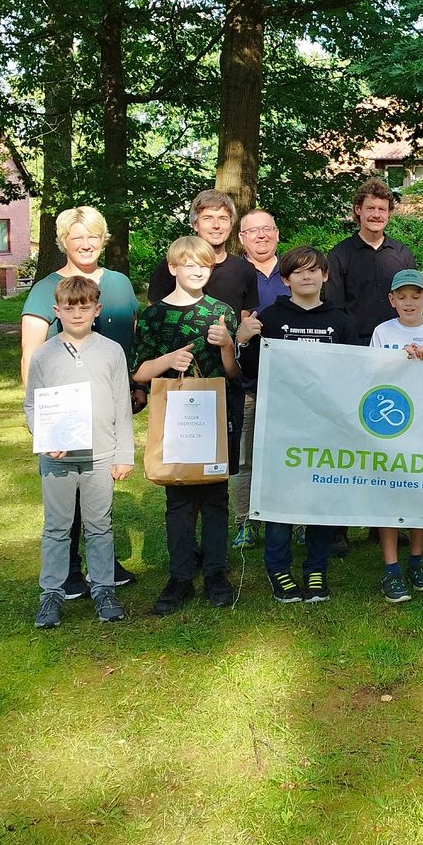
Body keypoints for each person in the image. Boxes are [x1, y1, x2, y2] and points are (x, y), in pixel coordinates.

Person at [19, 205, 138, 598]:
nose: (86, 244)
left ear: (103, 239)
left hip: (109, 394)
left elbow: (129, 338)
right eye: (77, 237)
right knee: (64, 489)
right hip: (64, 409)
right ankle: (68, 572)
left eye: (93, 236)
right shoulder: (46, 288)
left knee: (99, 490)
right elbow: (31, 354)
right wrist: (40, 420)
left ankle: (103, 567)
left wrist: (135, 386)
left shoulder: (119, 284)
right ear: (63, 242)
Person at [132, 236, 242, 616]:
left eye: (205, 265)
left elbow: (233, 373)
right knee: (178, 498)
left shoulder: (220, 310)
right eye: (189, 264)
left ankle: (215, 573)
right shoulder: (153, 316)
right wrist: (170, 358)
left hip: (213, 414)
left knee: (215, 497)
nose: (197, 271)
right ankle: (180, 575)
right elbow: (140, 372)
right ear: (173, 267)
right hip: (176, 418)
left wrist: (228, 344)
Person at [240, 246, 351, 604]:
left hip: (325, 423)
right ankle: (279, 568)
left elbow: (357, 372)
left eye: (313, 270)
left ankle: (316, 567)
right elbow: (248, 372)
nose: (306, 276)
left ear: (325, 276)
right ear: (285, 279)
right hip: (280, 423)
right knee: (280, 497)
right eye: (298, 272)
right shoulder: (268, 319)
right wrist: (242, 339)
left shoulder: (341, 320)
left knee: (320, 494)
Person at [367, 269, 423, 601]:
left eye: (416, 296)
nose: (409, 302)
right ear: (391, 300)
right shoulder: (381, 331)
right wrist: (396, 362)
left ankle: (417, 559)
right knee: (390, 491)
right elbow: (371, 374)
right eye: (401, 296)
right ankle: (391, 567)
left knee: (419, 490)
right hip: (390, 424)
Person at [231, 208, 288, 548]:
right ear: (242, 238)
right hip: (248, 380)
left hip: (289, 385)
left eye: (267, 229)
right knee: (244, 456)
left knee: (289, 452)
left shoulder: (294, 270)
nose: (262, 236)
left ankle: (291, 516)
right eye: (253, 231)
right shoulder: (235, 274)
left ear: (277, 233)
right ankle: (244, 522)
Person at [325, 177, 418, 345]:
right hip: (355, 345)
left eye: (382, 209)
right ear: (358, 209)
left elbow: (414, 303)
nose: (376, 215)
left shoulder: (403, 254)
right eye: (370, 208)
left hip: (398, 345)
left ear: (389, 213)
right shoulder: (339, 255)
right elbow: (335, 309)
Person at [145, 189, 257, 314]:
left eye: (223, 218)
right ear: (195, 224)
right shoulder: (174, 266)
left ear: (231, 225)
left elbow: (244, 321)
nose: (216, 225)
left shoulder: (244, 270)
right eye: (208, 218)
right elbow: (152, 316)